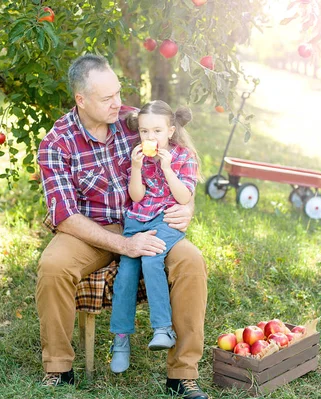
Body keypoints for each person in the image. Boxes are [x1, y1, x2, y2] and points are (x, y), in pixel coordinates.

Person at [36, 54, 209, 399]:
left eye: (118, 93)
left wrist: (187, 205)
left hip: (150, 222)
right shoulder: (57, 144)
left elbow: (182, 152)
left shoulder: (133, 121)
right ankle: (58, 369)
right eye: (107, 98)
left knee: (191, 262)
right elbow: (65, 216)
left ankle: (183, 374)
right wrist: (125, 245)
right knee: (53, 267)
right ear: (81, 100)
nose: (119, 103)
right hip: (89, 231)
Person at [109, 100, 200, 375]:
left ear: (170, 131)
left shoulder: (183, 158)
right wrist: (136, 168)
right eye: (145, 131)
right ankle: (121, 340)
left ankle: (163, 329)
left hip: (167, 220)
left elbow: (184, 197)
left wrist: (168, 168)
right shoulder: (137, 157)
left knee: (151, 258)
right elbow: (136, 196)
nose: (150, 138)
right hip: (137, 220)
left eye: (157, 131)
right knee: (126, 273)